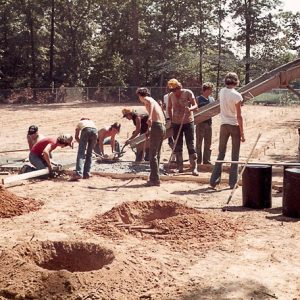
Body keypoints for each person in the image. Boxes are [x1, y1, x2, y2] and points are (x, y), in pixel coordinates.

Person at [210, 72, 245, 189]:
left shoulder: (222, 91)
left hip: (223, 125)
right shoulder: (237, 95)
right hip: (234, 125)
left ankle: (214, 181)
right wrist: (242, 133)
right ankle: (232, 183)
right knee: (235, 155)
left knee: (221, 153)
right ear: (236, 81)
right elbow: (239, 116)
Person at [167, 78, 199, 176]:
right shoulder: (171, 96)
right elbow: (169, 108)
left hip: (188, 122)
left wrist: (190, 109)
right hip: (176, 123)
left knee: (190, 144)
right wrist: (171, 120)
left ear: (179, 87)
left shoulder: (188, 93)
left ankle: (194, 167)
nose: (175, 92)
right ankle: (180, 167)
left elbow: (196, 106)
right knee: (178, 145)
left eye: (176, 89)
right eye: (172, 90)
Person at [136, 87, 166, 186]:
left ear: (140, 95)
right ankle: (154, 177)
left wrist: (149, 118)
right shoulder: (153, 101)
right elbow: (156, 115)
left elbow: (152, 106)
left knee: (152, 154)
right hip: (161, 126)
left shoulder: (148, 99)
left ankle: (155, 180)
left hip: (157, 126)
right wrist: (149, 129)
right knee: (157, 154)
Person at [196, 82, 215, 165]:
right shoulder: (198, 99)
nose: (212, 91)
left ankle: (206, 160)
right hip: (200, 124)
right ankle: (198, 161)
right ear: (206, 90)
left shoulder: (212, 99)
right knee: (199, 143)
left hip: (209, 123)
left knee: (208, 143)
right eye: (210, 90)